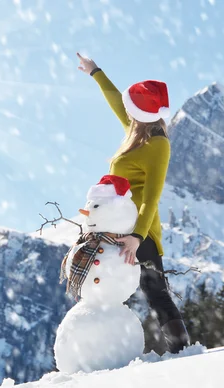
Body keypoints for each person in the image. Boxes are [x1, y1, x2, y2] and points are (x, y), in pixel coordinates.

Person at [76, 52, 190, 354]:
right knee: (107, 286)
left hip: (139, 231)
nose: (125, 111)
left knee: (154, 290)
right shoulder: (136, 130)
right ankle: (102, 350)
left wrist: (138, 237)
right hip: (117, 227)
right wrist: (95, 71)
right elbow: (117, 100)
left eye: (131, 108)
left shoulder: (158, 145)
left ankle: (182, 350)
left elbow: (151, 197)